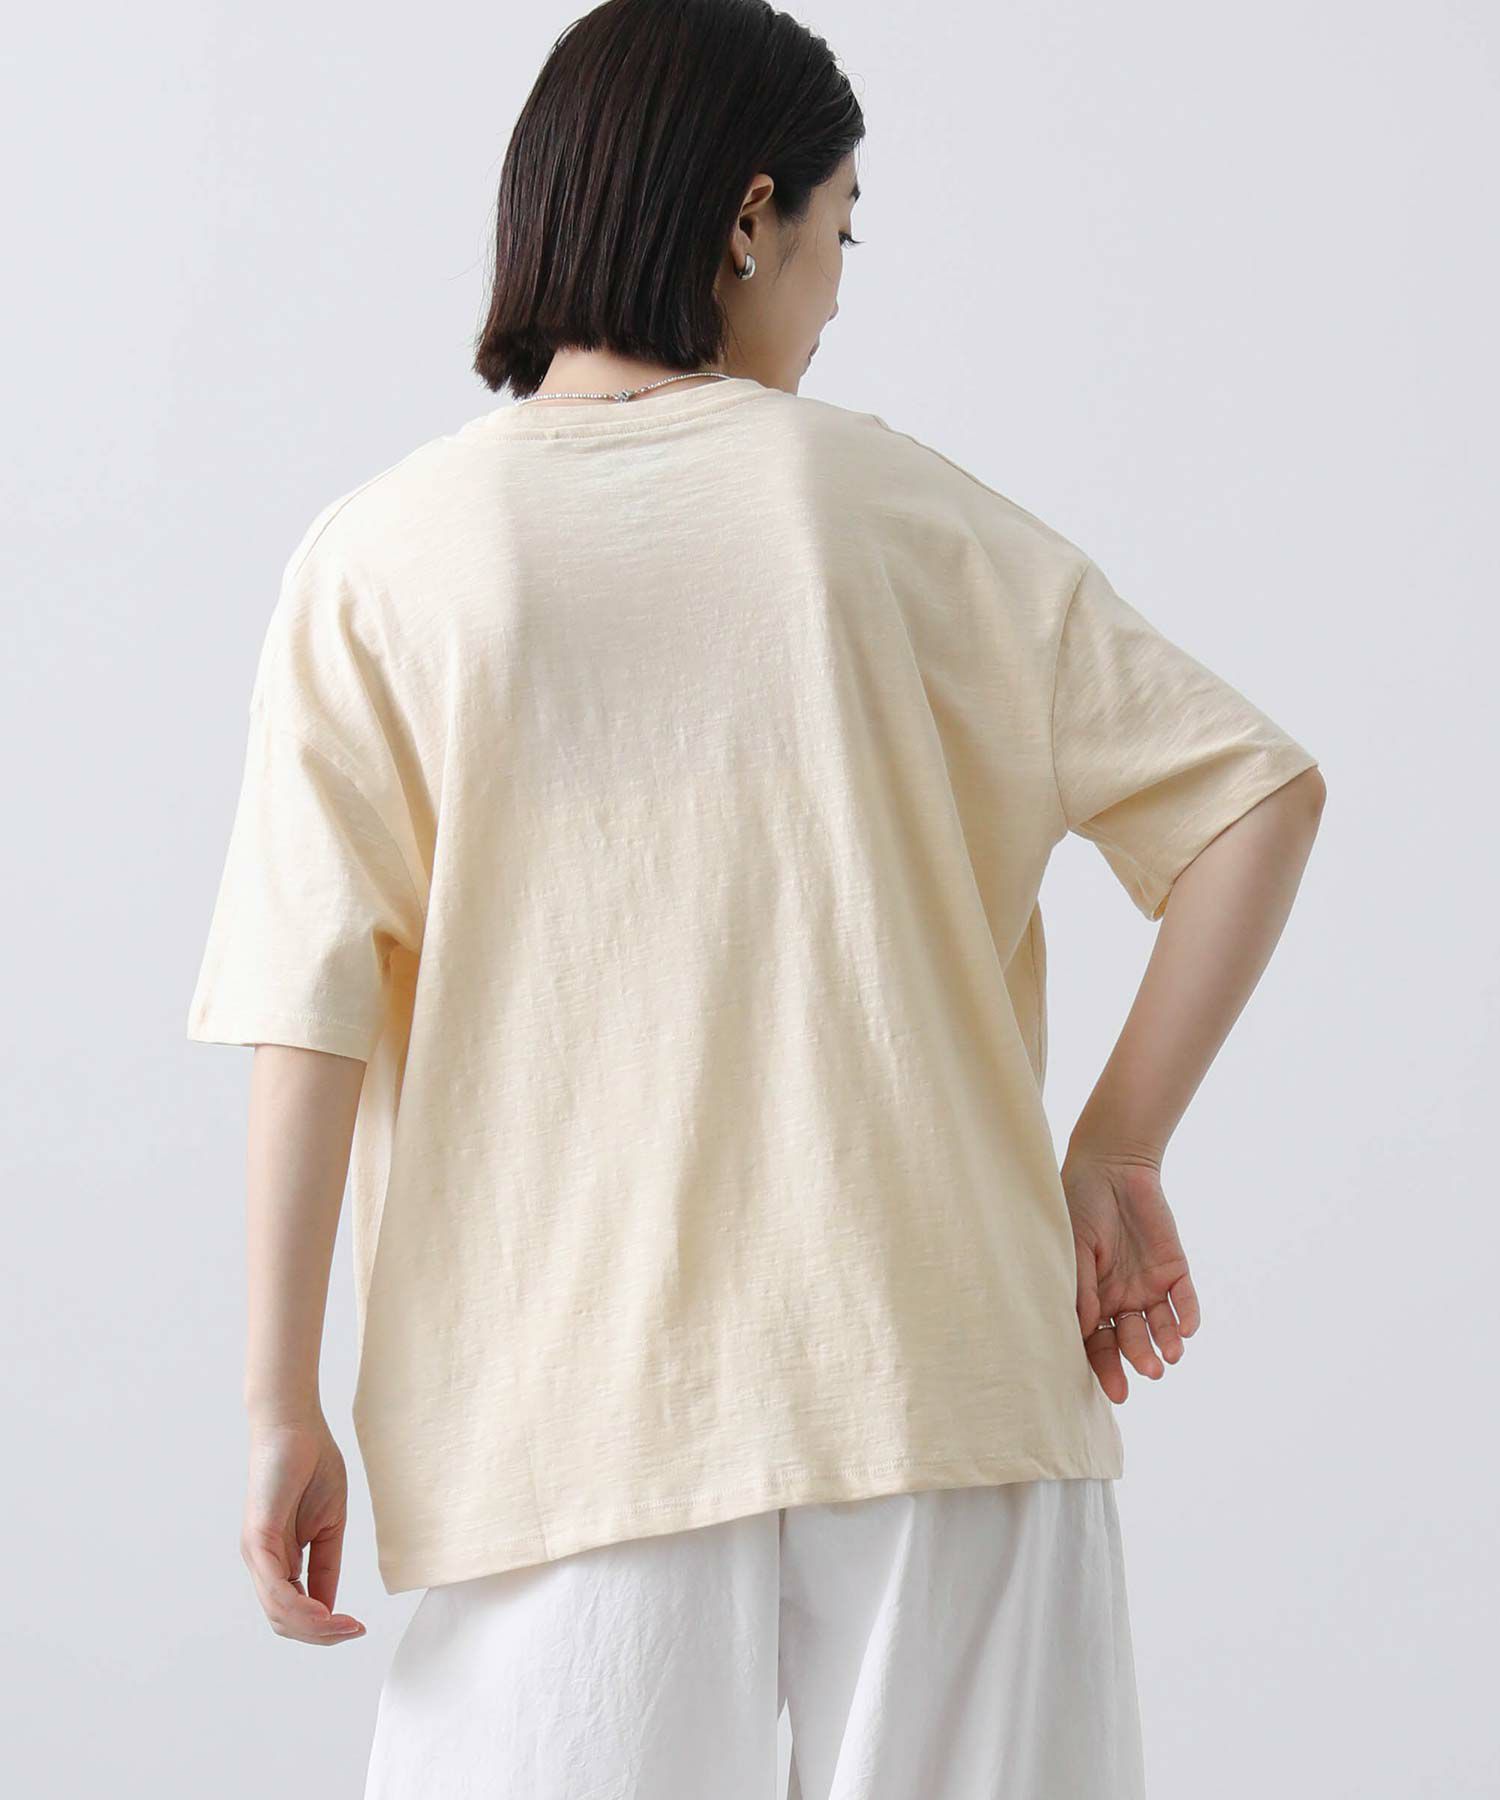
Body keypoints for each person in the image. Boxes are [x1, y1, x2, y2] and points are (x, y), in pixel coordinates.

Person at [184, 1, 1327, 1794]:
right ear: (749, 216)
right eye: (841, 230)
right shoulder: (894, 510)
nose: (839, 292)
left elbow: (303, 1008)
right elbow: (1257, 795)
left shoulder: (382, 560)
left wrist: (279, 1403)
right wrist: (1116, 1148)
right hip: (945, 1380)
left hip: (565, 1421)